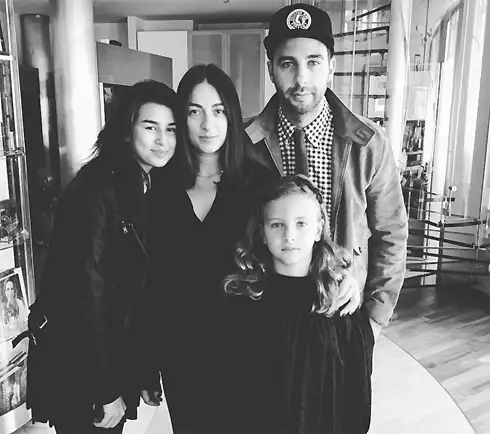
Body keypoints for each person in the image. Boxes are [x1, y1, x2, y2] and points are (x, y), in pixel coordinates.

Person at [246, 3, 408, 338]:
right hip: (270, 315)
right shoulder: (246, 143)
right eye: (288, 64)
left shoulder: (369, 143)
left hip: (345, 312)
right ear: (271, 69)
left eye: (313, 62)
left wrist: (375, 318)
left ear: (331, 67)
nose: (301, 78)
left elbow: (391, 232)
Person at [25, 79, 178, 434]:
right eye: (150, 127)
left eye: (170, 129)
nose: (162, 140)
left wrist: (143, 371)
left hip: (109, 359)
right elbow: (85, 294)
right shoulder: (96, 190)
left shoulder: (140, 185)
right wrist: (105, 389)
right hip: (82, 369)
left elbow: (134, 291)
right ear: (126, 130)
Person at [137, 63, 275, 433]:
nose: (207, 125)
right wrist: (146, 362)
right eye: (194, 111)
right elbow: (149, 282)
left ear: (232, 116)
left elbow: (283, 262)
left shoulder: (260, 185)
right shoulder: (157, 185)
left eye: (218, 111)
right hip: (180, 354)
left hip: (248, 353)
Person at [223, 175, 375, 434]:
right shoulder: (245, 304)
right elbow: (233, 387)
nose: (289, 236)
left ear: (318, 229)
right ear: (262, 232)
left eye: (301, 223)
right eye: (277, 225)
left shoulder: (339, 304)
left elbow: (356, 389)